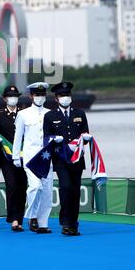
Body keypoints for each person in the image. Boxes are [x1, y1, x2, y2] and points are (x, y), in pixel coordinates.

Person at [43, 81, 91, 236]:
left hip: (77, 159)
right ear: (56, 99)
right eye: (62, 95)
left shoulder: (80, 113)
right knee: (65, 188)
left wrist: (87, 138)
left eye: (67, 95)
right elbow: (45, 138)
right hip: (61, 159)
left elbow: (84, 133)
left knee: (75, 192)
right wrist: (53, 139)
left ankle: (73, 223)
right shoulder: (50, 116)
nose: (65, 98)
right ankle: (65, 222)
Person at [12, 82, 53, 234]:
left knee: (47, 191)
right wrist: (16, 156)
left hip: (46, 157)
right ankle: (32, 216)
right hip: (30, 157)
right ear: (31, 96)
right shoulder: (23, 114)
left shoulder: (50, 113)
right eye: (37, 95)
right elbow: (18, 137)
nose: (40, 98)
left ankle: (43, 223)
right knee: (35, 187)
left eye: (42, 95)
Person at [0, 85, 27, 232]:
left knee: (22, 187)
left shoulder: (24, 114)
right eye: (10, 96)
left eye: (16, 96)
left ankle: (19, 218)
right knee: (12, 186)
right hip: (6, 158)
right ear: (5, 99)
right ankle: (13, 218)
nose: (13, 99)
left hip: (24, 156)